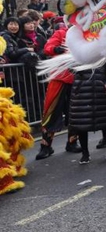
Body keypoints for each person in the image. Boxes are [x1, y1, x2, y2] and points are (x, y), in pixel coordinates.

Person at [69, 59, 106, 164]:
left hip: (101, 92)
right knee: (82, 123)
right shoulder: (76, 53)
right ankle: (85, 154)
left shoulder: (103, 53)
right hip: (82, 93)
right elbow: (70, 68)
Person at [35, 21, 80, 159]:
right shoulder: (61, 33)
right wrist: (57, 49)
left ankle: (72, 142)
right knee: (51, 110)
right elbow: (48, 47)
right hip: (59, 77)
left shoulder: (85, 35)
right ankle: (46, 146)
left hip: (78, 78)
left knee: (75, 111)